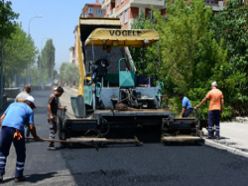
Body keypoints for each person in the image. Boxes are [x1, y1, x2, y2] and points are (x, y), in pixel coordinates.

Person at [0, 96, 40, 182]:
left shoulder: (12, 105)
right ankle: (18, 175)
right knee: (20, 151)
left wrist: (2, 130)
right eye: (32, 105)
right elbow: (31, 126)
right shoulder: (29, 110)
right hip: (16, 131)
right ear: (29, 103)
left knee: (2, 151)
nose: (32, 107)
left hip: (5, 129)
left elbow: (1, 119)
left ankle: (0, 174)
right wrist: (35, 136)